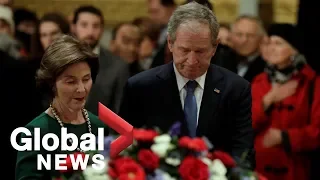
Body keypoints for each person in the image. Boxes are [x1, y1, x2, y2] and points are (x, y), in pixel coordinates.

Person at [119, 2, 255, 168]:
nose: (192, 61)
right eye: (184, 50)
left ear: (214, 47)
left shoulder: (235, 89)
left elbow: (243, 153)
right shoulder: (141, 87)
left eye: (200, 51)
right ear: (170, 43)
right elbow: (125, 150)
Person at [15, 35, 109, 179]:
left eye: (86, 79)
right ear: (52, 84)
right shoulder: (35, 132)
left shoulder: (98, 125)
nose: (82, 89)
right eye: (71, 82)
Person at [252, 23, 320, 180]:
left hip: (296, 168)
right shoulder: (259, 81)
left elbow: (317, 131)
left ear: (294, 50)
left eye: (278, 43)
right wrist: (268, 100)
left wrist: (285, 137)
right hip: (260, 168)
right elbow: (244, 124)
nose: (271, 48)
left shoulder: (311, 82)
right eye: (269, 43)